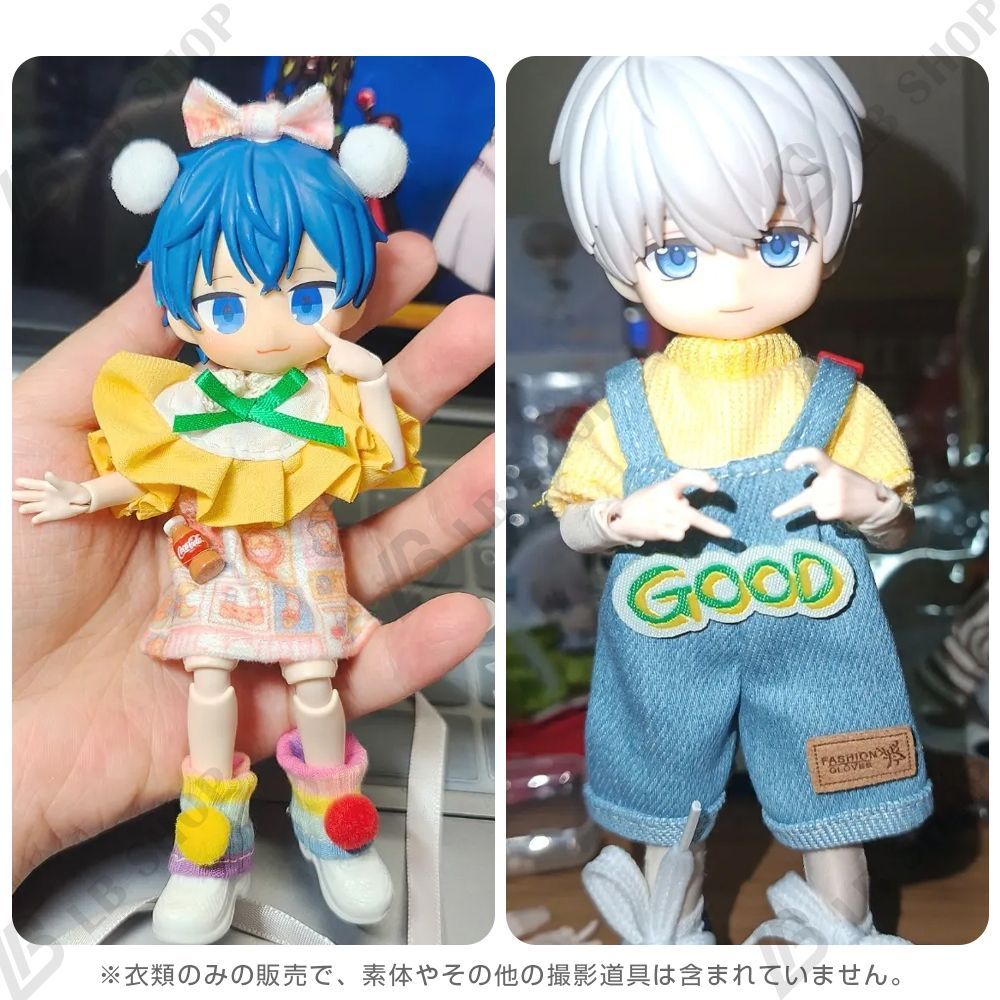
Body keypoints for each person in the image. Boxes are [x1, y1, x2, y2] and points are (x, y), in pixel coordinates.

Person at [12, 80, 495, 944]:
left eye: (305, 299)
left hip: (305, 561)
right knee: (208, 680)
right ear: (178, 309)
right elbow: (153, 471)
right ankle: (207, 841)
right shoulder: (187, 400)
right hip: (214, 566)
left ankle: (337, 825)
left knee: (316, 681)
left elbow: (383, 461)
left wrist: (373, 385)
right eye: (227, 305)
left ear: (350, 294)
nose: (270, 329)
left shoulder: (325, 397)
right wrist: (81, 494)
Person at [546, 56, 931, 945]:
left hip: (821, 641)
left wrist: (868, 502)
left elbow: (899, 521)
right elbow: (570, 517)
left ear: (830, 231)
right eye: (677, 254)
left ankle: (843, 928)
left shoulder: (840, 400)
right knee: (663, 793)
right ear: (621, 258)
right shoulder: (628, 406)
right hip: (668, 638)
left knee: (838, 790)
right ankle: (664, 929)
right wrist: (618, 519)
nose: (731, 284)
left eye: (778, 242)